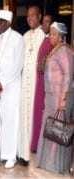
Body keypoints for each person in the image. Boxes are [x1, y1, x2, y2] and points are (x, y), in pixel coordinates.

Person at [35, 22, 74, 175]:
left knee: (59, 130)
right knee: (50, 127)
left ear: (61, 36)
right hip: (51, 95)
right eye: (50, 34)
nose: (50, 37)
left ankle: (57, 164)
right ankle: (47, 162)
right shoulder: (55, 50)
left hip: (60, 95)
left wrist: (63, 97)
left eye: (53, 34)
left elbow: (68, 74)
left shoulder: (64, 51)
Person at [0, 10, 24, 169]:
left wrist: (1, 83)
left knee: (11, 120)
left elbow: (17, 66)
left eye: (3, 21)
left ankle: (11, 155)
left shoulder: (18, 39)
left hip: (11, 87)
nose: (0, 24)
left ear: (9, 22)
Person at [18, 6, 45, 166]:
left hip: (36, 83)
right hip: (24, 83)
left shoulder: (45, 37)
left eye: (33, 15)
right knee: (24, 114)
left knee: (35, 114)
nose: (30, 18)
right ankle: (24, 147)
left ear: (39, 16)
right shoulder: (24, 36)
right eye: (28, 16)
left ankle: (34, 146)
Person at [31, 14, 53, 153]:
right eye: (44, 22)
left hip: (48, 81)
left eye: (48, 22)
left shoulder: (52, 40)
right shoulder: (42, 39)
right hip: (39, 80)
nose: (45, 24)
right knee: (38, 112)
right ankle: (36, 144)